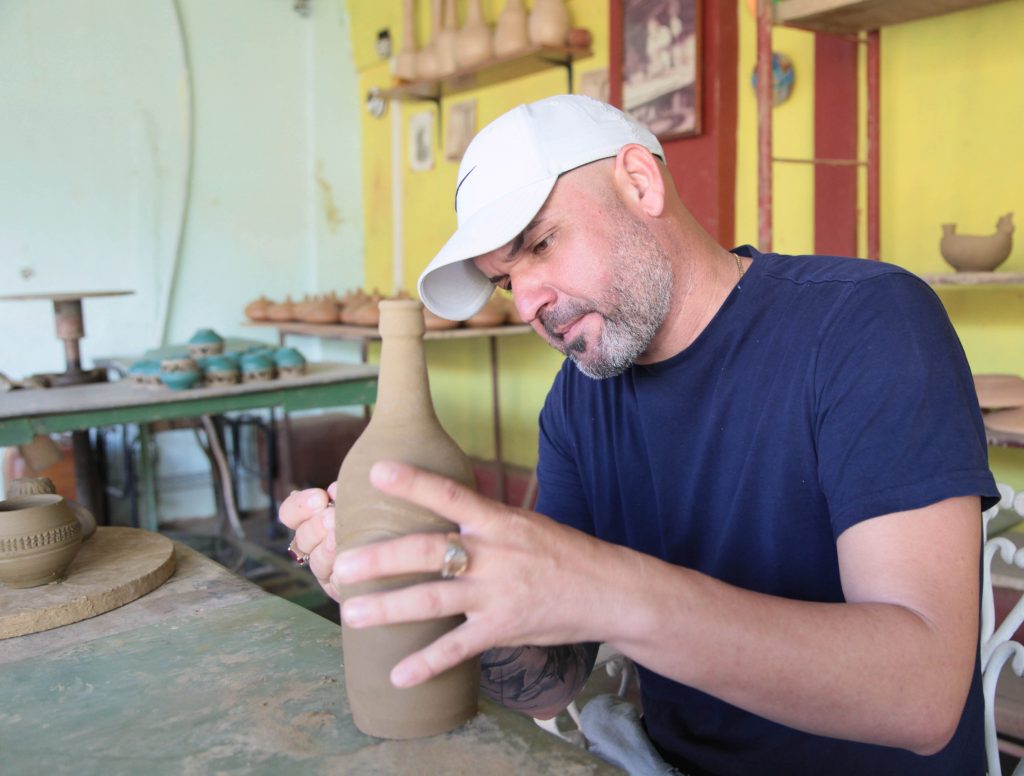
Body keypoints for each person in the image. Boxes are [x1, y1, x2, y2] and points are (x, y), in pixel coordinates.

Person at [279, 95, 999, 774]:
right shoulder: (579, 402)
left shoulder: (865, 326)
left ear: (639, 182)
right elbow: (551, 683)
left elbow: (923, 693)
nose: (529, 303)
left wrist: (602, 586)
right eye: (505, 282)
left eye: (540, 244)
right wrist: (417, 589)